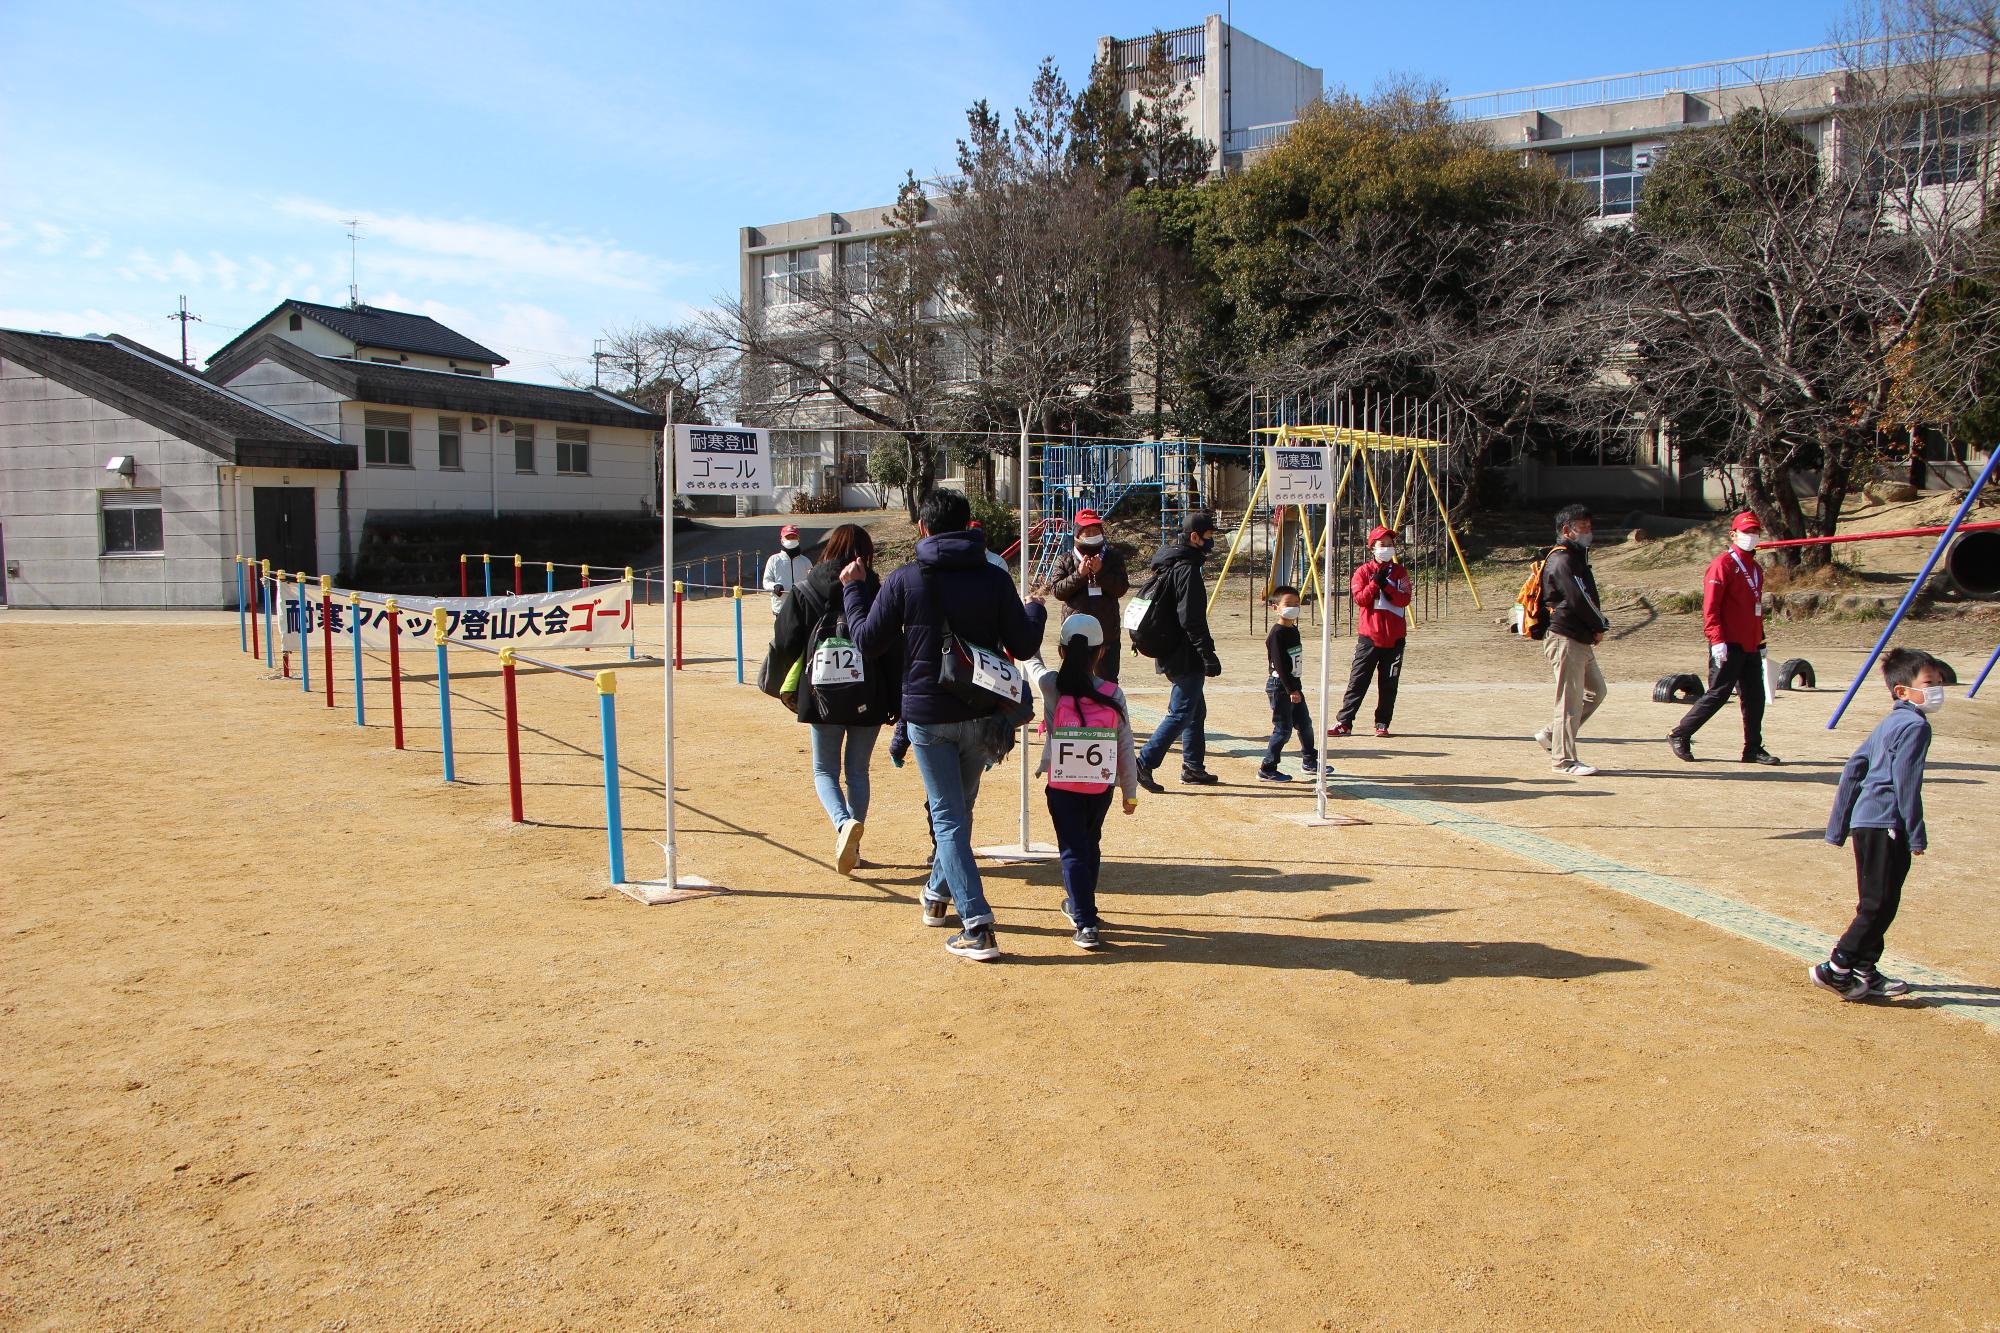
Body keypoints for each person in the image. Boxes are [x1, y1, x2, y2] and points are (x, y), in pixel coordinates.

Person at [839, 489, 1043, 962]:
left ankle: (978, 926)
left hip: (929, 716)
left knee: (950, 818)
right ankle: (935, 897)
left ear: (923, 529)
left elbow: (868, 640)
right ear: (969, 525)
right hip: (982, 711)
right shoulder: (994, 578)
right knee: (959, 815)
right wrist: (1033, 609)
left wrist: (854, 588)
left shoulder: (907, 578)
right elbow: (1025, 640)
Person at [768, 523, 899, 877]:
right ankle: (853, 847)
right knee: (858, 770)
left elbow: (784, 641)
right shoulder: (879, 591)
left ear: (829, 550)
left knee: (824, 769)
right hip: (868, 694)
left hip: (820, 693)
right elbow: (892, 648)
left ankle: (843, 826)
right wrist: (895, 699)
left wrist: (777, 681)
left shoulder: (806, 589)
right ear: (865, 555)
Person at [1812, 648, 1942, 1001]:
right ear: (1902, 691)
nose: (1937, 689)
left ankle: (1864, 966)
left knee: (1877, 899)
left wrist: (1839, 826)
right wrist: (1916, 832)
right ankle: (1837, 967)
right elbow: (1906, 783)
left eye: (1939, 681)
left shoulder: (1889, 722)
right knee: (1879, 903)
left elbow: (1854, 767)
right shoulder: (1915, 726)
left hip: (1866, 822)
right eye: (1929, 683)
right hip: (1887, 823)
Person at [1023, 609, 1139, 950]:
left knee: (1072, 849)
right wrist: (1129, 793)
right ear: (1101, 652)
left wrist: (1032, 612)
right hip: (1099, 786)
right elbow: (1125, 745)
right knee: (1090, 845)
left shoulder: (1050, 686)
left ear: (1061, 650)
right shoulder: (1113, 693)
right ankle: (1081, 906)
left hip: (1062, 787)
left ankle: (1085, 920)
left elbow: (1030, 659)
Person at [1668, 511, 1781, 765]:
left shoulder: (1755, 568)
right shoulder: (1722, 565)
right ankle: (1680, 733)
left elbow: (1756, 608)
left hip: (1750, 642)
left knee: (1755, 697)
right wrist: (1716, 639)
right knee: (1719, 693)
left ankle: (1753, 748)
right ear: (1733, 534)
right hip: (1727, 643)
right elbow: (1711, 608)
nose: (1751, 537)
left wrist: (1761, 640)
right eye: (1746, 532)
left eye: (1755, 532)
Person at [1534, 504, 1611, 778]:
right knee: (1569, 701)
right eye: (1583, 527)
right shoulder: (1563, 560)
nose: (1589, 532)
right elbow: (1579, 599)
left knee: (1596, 690)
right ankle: (1563, 760)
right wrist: (1599, 624)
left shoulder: (1576, 557)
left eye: (1590, 527)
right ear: (1567, 530)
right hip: (1565, 636)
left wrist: (1594, 627)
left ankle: (1551, 735)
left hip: (1579, 636)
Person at [1330, 524, 1413, 739]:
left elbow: (1404, 599)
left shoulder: (1400, 572)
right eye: (1381, 545)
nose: (1386, 548)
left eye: (1389, 544)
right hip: (1370, 637)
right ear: (1372, 548)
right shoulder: (1363, 572)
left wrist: (1386, 585)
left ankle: (1382, 723)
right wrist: (1374, 584)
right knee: (1358, 681)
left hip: (1394, 639)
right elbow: (1361, 599)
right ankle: (1344, 722)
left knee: (1389, 684)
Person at [1047, 508, 1131, 682]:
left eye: (1096, 530)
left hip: (1107, 635)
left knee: (1107, 683)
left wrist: (1100, 573)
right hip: (1075, 636)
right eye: (1087, 530)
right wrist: (1079, 575)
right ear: (1078, 533)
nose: (1093, 534)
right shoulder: (1065, 559)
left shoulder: (1113, 558)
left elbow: (1121, 589)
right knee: (1074, 681)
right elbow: (1057, 591)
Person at [1259, 585, 1320, 782]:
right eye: (1288, 604)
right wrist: (1291, 689)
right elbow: (1280, 664)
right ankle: (1267, 767)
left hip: (1294, 684)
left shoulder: (1293, 629)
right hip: (1281, 685)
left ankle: (1310, 760)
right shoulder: (1277, 633)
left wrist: (1296, 686)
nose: (1293, 608)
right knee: (1283, 729)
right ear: (1275, 607)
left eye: (1296, 604)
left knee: (1305, 724)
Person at [761, 524, 812, 613]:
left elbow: (812, 582)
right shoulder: (774, 560)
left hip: (801, 608)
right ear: (781, 540)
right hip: (780, 608)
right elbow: (766, 582)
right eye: (788, 537)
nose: (791, 539)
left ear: (798, 539)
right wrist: (774, 586)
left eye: (794, 537)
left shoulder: (806, 561)